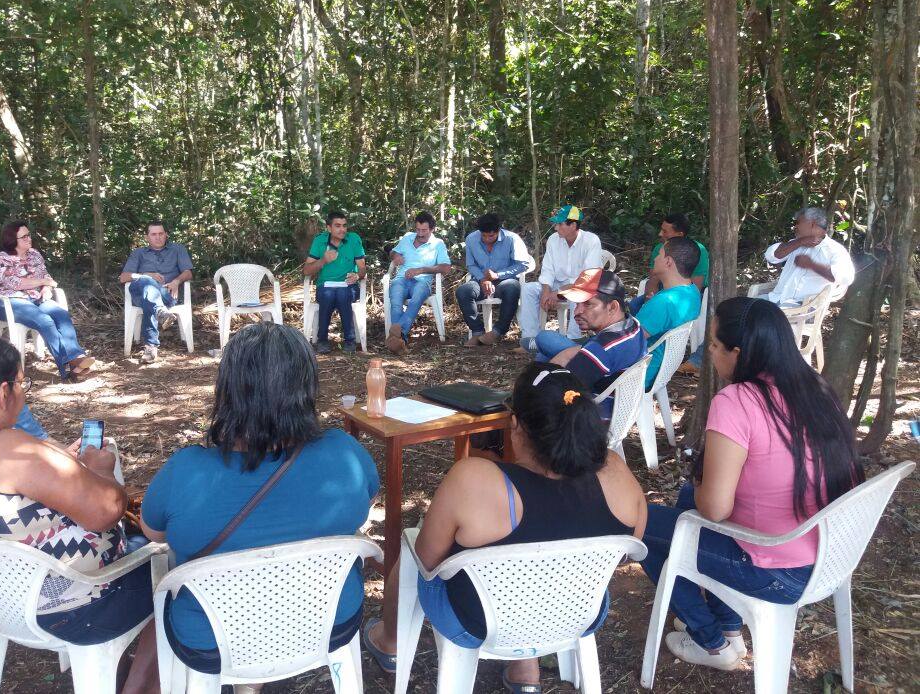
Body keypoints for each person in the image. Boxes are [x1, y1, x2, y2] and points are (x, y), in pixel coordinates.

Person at [362, 363, 647, 692]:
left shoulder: (474, 479)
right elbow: (627, 553)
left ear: (516, 427)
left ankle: (389, 642)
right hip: (579, 615)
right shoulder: (617, 473)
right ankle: (527, 673)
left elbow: (427, 560)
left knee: (412, 556)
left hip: (478, 623)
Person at [0, 335, 159, 693]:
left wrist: (66, 466)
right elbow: (107, 512)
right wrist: (101, 469)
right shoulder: (3, 445)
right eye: (23, 382)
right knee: (175, 568)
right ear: (3, 391)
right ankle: (141, 686)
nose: (24, 392)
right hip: (72, 607)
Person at [139, 323, 379, 684]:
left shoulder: (187, 470)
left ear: (228, 391)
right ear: (306, 387)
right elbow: (365, 503)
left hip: (210, 642)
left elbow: (152, 531)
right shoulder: (345, 454)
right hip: (329, 622)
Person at [640, 298, 861, 671]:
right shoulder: (815, 388)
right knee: (685, 497)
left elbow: (715, 510)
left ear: (738, 352)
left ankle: (711, 640)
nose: (708, 351)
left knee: (640, 525)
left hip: (776, 569)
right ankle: (727, 624)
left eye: (713, 344)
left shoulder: (737, 400)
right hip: (827, 555)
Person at [534, 269, 646, 418]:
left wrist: (533, 387)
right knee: (543, 355)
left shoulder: (601, 349)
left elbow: (558, 391)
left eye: (587, 304)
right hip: (617, 405)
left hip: (592, 421)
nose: (577, 312)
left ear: (612, 307)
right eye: (577, 304)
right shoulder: (632, 324)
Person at [0, 222, 95, 380]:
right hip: (11, 301)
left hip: (35, 298)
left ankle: (74, 362)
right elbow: (16, 283)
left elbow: (46, 276)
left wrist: (46, 288)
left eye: (29, 235)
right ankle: (70, 364)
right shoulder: (4, 260)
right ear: (13, 239)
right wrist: (44, 283)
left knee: (62, 315)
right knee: (45, 321)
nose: (29, 238)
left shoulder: (34, 255)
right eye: (24, 236)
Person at [518, 206, 602, 354]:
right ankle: (531, 339)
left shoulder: (591, 241)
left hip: (581, 286)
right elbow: (548, 269)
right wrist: (546, 292)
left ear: (573, 225)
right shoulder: (553, 240)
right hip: (557, 284)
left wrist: (558, 293)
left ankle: (572, 340)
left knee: (578, 295)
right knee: (528, 289)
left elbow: (588, 277)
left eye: (560, 224)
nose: (556, 227)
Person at [119, 221, 193, 364]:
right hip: (139, 292)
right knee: (146, 282)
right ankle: (160, 311)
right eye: (153, 234)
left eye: (161, 234)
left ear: (166, 235)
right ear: (147, 237)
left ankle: (151, 346)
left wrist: (177, 281)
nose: (157, 237)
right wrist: (146, 275)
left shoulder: (177, 249)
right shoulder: (139, 253)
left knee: (150, 300)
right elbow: (124, 277)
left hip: (167, 292)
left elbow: (188, 273)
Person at [634, 237, 702, 388]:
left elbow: (629, 340)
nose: (655, 258)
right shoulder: (692, 292)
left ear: (668, 262)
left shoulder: (664, 302)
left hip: (639, 373)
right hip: (663, 370)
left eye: (659, 254)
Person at [456, 213, 530, 347]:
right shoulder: (471, 239)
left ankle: (497, 332)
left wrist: (498, 275)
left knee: (513, 288)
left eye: (491, 236)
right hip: (480, 280)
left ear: (498, 231)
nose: (487, 239)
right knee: (463, 291)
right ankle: (477, 332)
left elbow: (523, 264)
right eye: (483, 235)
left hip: (505, 280)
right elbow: (471, 265)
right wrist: (483, 278)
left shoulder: (512, 239)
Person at [386, 211, 451, 353]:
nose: (420, 234)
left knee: (416, 300)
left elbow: (446, 268)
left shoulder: (438, 244)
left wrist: (421, 270)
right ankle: (399, 340)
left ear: (433, 229)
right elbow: (393, 252)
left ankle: (398, 333)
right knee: (396, 302)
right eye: (418, 230)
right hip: (401, 279)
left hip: (422, 282)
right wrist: (395, 255)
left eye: (424, 230)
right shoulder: (407, 238)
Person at [302, 210, 367, 354]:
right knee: (328, 294)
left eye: (344, 225)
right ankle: (322, 339)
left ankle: (350, 340)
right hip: (325, 287)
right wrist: (323, 260)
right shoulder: (320, 241)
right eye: (337, 226)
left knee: (343, 293)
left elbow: (363, 269)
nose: (342, 229)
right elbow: (306, 270)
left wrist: (357, 276)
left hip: (348, 286)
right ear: (328, 228)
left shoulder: (353, 239)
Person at [762, 207, 854, 307]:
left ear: (812, 223)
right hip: (775, 298)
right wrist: (799, 242)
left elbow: (846, 278)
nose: (795, 226)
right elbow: (771, 256)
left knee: (760, 317)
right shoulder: (796, 243)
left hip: (802, 307)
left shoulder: (835, 250)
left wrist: (812, 265)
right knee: (746, 308)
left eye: (798, 223)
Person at [629, 213, 710, 315]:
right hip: (660, 295)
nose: (660, 234)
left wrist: (665, 304)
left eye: (665, 231)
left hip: (683, 299)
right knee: (633, 306)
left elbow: (695, 289)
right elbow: (653, 281)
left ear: (680, 235)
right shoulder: (659, 248)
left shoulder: (697, 250)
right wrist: (648, 303)